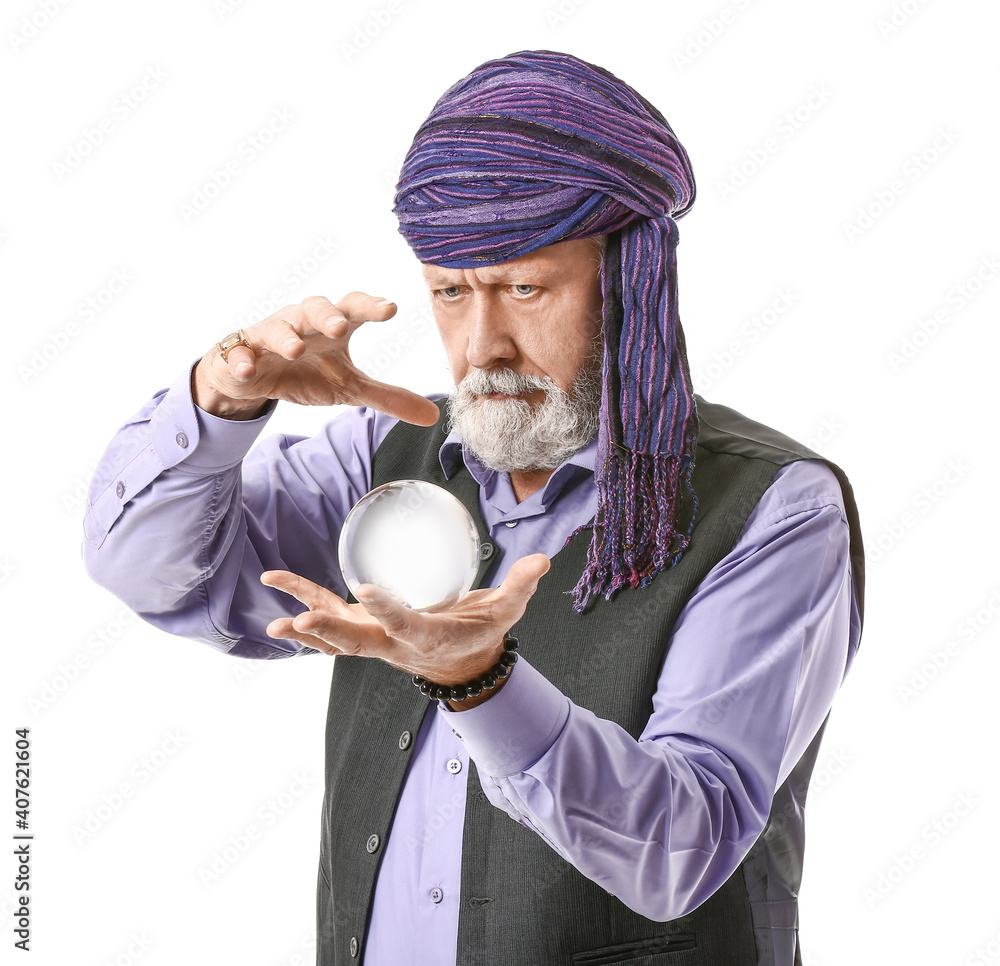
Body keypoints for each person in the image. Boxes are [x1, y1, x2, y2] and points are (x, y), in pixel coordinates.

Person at [84, 50, 864, 966]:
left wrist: (482, 684)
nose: (482, 342)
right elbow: (150, 572)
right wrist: (220, 402)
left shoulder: (776, 508)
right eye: (450, 291)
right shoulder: (383, 454)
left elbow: (679, 851)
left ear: (631, 283)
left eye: (523, 287)